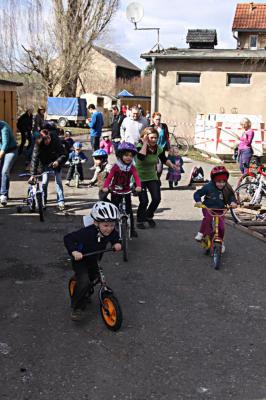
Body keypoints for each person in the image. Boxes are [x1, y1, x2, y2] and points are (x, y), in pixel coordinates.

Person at [64, 201, 122, 321]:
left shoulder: (110, 231)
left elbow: (115, 236)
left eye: (112, 225)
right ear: (96, 222)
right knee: (84, 281)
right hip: (81, 259)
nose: (109, 229)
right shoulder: (87, 232)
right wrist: (74, 251)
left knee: (94, 277)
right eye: (106, 225)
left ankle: (85, 292)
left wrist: (117, 243)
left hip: (94, 258)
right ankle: (77, 307)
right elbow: (68, 238)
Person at [135, 127, 178, 229]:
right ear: (145, 137)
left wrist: (172, 166)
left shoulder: (158, 148)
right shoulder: (139, 147)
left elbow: (164, 159)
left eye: (156, 138)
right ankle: (140, 220)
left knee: (156, 198)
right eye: (151, 138)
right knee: (144, 201)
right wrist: (145, 143)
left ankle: (149, 216)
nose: (154, 140)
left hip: (152, 176)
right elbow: (141, 157)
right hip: (140, 177)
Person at [194, 166, 237, 253]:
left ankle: (220, 241)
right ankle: (202, 233)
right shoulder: (208, 187)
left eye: (223, 182)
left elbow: (231, 197)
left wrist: (233, 202)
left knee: (221, 227)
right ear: (214, 180)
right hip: (208, 208)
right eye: (218, 182)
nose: (221, 184)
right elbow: (197, 193)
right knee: (208, 220)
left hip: (220, 209)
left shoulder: (226, 188)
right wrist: (198, 201)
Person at [102, 142, 142, 237]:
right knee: (114, 210)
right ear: (120, 155)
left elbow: (136, 177)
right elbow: (109, 177)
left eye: (131, 156)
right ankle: (112, 230)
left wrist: (138, 186)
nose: (128, 158)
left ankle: (131, 229)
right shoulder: (116, 166)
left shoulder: (132, 167)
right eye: (126, 155)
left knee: (129, 211)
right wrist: (106, 186)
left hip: (126, 190)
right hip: (115, 191)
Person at [30, 129, 67, 210]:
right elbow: (34, 159)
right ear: (41, 139)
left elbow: (64, 154)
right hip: (44, 164)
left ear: (50, 136)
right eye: (45, 139)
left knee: (58, 181)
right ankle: (43, 201)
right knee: (44, 182)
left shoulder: (56, 140)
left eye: (48, 138)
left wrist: (58, 161)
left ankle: (60, 201)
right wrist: (33, 174)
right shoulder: (38, 144)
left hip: (56, 162)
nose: (47, 141)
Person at [0, 120, 17, 206]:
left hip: (11, 150)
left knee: (5, 171)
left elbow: (5, 144)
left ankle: (3, 195)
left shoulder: (4, 127)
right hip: (1, 151)